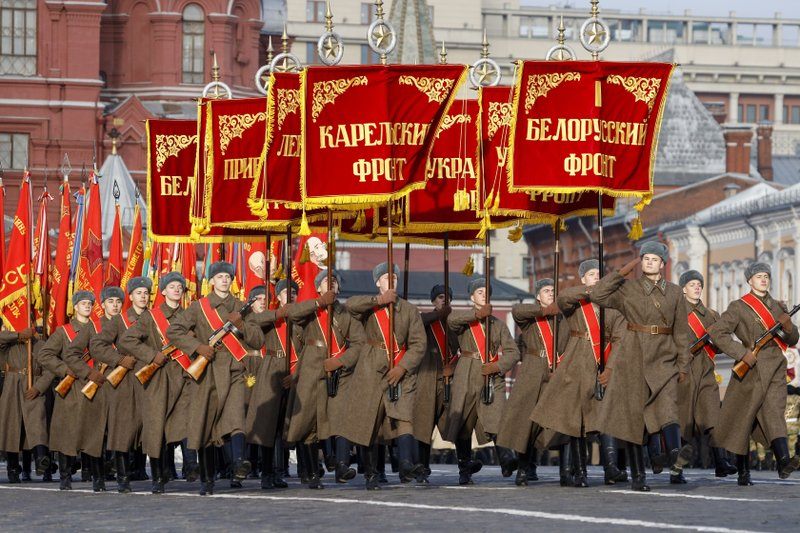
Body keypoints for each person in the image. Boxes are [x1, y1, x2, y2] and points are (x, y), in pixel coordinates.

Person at [591, 242, 693, 492]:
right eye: (645, 258)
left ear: (663, 264)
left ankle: (675, 454)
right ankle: (639, 476)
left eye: (654, 259)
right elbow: (597, 295)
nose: (649, 262)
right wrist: (620, 273)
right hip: (633, 353)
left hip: (664, 354)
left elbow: (681, 331)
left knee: (668, 406)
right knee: (635, 419)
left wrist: (683, 364)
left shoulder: (675, 292)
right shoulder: (628, 288)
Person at [166, 261, 264, 495]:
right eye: (219, 276)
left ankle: (239, 463)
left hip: (232, 369)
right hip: (207, 372)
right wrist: (198, 347)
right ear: (211, 281)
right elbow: (174, 331)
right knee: (206, 426)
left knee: (235, 417)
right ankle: (207, 480)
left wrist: (241, 325)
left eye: (227, 277)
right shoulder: (199, 307)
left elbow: (258, 339)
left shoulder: (241, 307)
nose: (224, 280)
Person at [530, 262, 628, 487]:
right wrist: (592, 290)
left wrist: (610, 368)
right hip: (576, 364)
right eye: (591, 275)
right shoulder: (576, 302)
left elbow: (620, 338)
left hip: (602, 365)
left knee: (606, 416)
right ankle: (580, 472)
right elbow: (563, 297)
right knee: (577, 421)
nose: (595, 278)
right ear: (583, 279)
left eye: (599, 275)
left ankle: (611, 468)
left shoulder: (612, 305)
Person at [708, 262, 800, 485]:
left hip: (776, 366)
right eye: (759, 276)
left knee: (774, 412)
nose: (764, 280)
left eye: (766, 276)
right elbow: (717, 332)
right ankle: (743, 471)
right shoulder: (738, 307)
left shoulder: (778, 307)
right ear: (749, 280)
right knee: (744, 419)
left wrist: (788, 327)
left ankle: (783, 462)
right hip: (751, 367)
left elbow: (793, 339)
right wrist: (741, 353)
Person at [344, 262, 426, 489]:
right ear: (377, 282)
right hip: (371, 368)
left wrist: (403, 367)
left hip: (400, 370)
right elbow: (350, 306)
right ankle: (371, 473)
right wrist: (379, 301)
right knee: (370, 422)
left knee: (404, 417)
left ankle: (407, 464)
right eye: (387, 278)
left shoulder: (409, 310)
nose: (392, 282)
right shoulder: (370, 307)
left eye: (396, 278)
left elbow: (419, 344)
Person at [117, 272, 196, 494]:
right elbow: (127, 340)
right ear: (162, 291)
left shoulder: (189, 315)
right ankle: (159, 476)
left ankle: (193, 467)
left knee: (188, 421)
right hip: (159, 375)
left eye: (180, 287)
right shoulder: (151, 317)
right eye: (172, 286)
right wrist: (151, 355)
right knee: (156, 427)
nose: (177, 290)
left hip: (184, 375)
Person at [287, 270, 365, 488]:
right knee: (308, 422)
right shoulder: (311, 308)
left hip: (339, 370)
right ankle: (311, 472)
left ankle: (342, 466)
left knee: (340, 418)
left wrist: (341, 362)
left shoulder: (345, 313)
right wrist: (320, 302)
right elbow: (292, 314)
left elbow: (359, 342)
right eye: (325, 282)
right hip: (312, 366)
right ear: (318, 287)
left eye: (334, 282)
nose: (331, 285)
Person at [442, 276, 520, 485]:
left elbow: (513, 352)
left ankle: (506, 459)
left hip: (491, 375)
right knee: (463, 423)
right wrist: (477, 315)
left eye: (486, 292)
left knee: (498, 416)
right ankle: (464, 468)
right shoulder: (464, 319)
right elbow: (451, 322)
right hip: (466, 372)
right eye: (479, 292)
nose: (484, 295)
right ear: (471, 297)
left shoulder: (498, 324)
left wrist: (498, 366)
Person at [496, 278, 563, 487]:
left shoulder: (562, 318)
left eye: (553, 290)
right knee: (526, 422)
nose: (550, 293)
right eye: (545, 290)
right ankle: (523, 469)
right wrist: (544, 311)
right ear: (537, 296)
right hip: (533, 370)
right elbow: (517, 310)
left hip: (555, 371)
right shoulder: (531, 317)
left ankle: (565, 469)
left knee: (552, 422)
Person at [90, 277, 151, 492]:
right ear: (132, 297)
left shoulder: (156, 318)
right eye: (139, 293)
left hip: (151, 377)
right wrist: (118, 360)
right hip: (125, 380)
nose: (143, 296)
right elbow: (97, 345)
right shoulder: (119, 321)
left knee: (151, 425)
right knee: (123, 428)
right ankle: (122, 477)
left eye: (146, 293)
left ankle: (156, 474)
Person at [677, 270, 737, 481]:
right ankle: (677, 470)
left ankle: (721, 463)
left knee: (713, 416)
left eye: (698, 284)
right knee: (684, 422)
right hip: (684, 371)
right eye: (692, 284)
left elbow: (721, 345)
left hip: (706, 371)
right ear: (683, 288)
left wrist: (714, 342)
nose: (696, 287)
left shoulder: (711, 315)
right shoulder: (676, 312)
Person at [37, 291, 101, 490]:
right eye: (83, 303)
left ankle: (94, 474)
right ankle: (65, 475)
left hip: (93, 385)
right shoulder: (63, 332)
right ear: (75, 307)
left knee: (93, 431)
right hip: (71, 386)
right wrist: (65, 370)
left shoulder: (98, 329)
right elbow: (45, 354)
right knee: (67, 432)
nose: (87, 307)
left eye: (90, 304)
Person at [64, 286, 124, 492]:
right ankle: (98, 477)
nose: (115, 305)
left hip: (123, 384)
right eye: (110, 302)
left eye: (118, 302)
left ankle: (123, 477)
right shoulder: (93, 327)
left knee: (121, 431)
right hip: (99, 384)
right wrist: (88, 373)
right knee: (97, 433)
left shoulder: (128, 325)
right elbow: (71, 354)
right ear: (103, 304)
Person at [245, 280, 301, 490]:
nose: (291, 296)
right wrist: (279, 313)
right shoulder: (271, 316)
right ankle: (266, 473)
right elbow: (253, 322)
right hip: (271, 369)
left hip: (293, 371)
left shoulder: (300, 318)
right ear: (277, 297)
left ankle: (279, 471)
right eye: (286, 292)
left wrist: (296, 373)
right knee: (268, 425)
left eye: (294, 292)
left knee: (283, 427)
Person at [413, 284, 459, 484]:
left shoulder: (453, 323)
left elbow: (461, 349)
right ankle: (422, 467)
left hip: (448, 379)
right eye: (441, 297)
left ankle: (465, 465)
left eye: (447, 297)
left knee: (458, 423)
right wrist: (439, 315)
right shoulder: (426, 320)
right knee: (424, 425)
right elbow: (417, 323)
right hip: (427, 378)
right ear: (433, 301)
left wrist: (453, 366)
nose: (444, 300)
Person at [0, 323, 51, 483]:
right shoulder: (10, 344)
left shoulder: (42, 345)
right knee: (12, 428)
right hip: (12, 386)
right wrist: (18, 335)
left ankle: (41, 458)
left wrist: (39, 387)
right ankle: (13, 468)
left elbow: (50, 370)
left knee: (38, 423)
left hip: (33, 386)